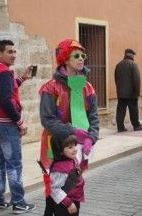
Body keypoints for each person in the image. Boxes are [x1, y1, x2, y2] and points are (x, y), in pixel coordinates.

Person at [0, 39, 35, 214]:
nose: (13, 55)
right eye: (9, 52)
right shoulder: (4, 73)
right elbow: (6, 101)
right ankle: (19, 203)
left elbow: (7, 91)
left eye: (15, 52)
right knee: (14, 165)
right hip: (6, 126)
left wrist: (22, 78)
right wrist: (20, 122)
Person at [39, 39, 99, 170]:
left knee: (76, 183)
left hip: (79, 145)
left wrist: (92, 138)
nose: (81, 59)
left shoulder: (88, 88)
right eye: (76, 56)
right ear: (65, 59)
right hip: (56, 144)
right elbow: (47, 119)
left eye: (83, 56)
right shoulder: (50, 88)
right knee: (57, 184)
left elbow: (94, 117)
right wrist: (72, 131)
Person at [114, 49, 142, 132]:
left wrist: (119, 90)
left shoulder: (118, 65)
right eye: (133, 55)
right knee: (133, 110)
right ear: (131, 55)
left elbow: (116, 79)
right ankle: (136, 125)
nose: (133, 57)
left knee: (120, 110)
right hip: (131, 93)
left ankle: (120, 127)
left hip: (121, 92)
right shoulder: (133, 65)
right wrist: (137, 92)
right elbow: (137, 80)